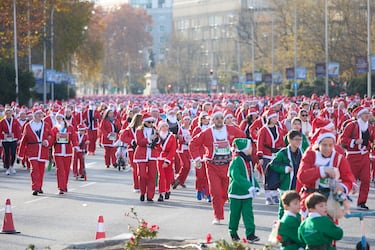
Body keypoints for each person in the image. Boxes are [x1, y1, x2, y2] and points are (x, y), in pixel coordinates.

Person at [190, 110, 246, 225]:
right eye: (217, 118)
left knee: (226, 192)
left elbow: (243, 137)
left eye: (221, 118)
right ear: (213, 120)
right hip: (212, 166)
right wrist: (197, 159)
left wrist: (237, 149)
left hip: (228, 165)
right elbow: (193, 143)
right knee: (215, 191)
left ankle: (222, 202)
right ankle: (218, 216)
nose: (219, 120)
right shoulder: (207, 132)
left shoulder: (230, 129)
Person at [297, 128, 355, 218]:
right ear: (318, 144)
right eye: (324, 145)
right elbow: (302, 176)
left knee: (330, 229)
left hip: (330, 201)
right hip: (311, 199)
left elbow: (348, 178)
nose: (327, 148)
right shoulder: (310, 155)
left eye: (330, 145)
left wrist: (343, 187)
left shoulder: (339, 158)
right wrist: (322, 170)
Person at [338, 106, 375, 210]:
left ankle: (361, 202)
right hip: (352, 156)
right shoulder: (351, 125)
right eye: (365, 114)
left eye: (368, 113)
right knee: (349, 180)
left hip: (365, 156)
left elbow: (373, 139)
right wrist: (354, 141)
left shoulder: (370, 127)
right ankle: (342, 200)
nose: (367, 115)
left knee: (366, 180)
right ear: (359, 115)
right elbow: (342, 139)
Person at [228, 138, 260, 243]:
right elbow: (236, 176)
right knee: (235, 214)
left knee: (248, 214)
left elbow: (250, 175)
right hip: (236, 193)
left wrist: (255, 186)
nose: (251, 149)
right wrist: (248, 186)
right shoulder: (237, 160)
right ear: (244, 148)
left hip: (247, 194)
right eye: (250, 147)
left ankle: (250, 234)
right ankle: (233, 232)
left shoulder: (248, 160)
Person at [269, 130, 303, 219]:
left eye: (300, 139)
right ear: (290, 140)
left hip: (297, 184)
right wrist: (285, 169)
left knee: (297, 207)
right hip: (285, 183)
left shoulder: (301, 152)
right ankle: (280, 226)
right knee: (284, 207)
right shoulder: (283, 152)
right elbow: (273, 164)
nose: (298, 142)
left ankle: (293, 226)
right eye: (296, 139)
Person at [18, 108, 52, 195]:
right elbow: (24, 139)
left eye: (41, 114)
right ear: (34, 115)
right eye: (38, 114)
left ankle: (39, 186)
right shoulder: (28, 126)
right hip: (32, 149)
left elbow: (51, 136)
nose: (40, 115)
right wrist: (20, 153)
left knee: (41, 170)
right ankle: (35, 188)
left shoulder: (46, 125)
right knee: (34, 169)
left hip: (43, 150)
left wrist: (47, 141)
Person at [257, 109, 286, 205]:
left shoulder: (279, 129)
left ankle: (274, 194)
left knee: (276, 175)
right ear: (269, 119)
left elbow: (282, 142)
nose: (275, 119)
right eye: (273, 117)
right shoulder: (263, 130)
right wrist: (260, 156)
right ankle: (268, 196)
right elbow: (260, 143)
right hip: (266, 155)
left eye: (276, 117)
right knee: (267, 175)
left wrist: (284, 152)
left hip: (276, 155)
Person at [50, 110, 78, 194]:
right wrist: (47, 144)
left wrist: (76, 146)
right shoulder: (54, 128)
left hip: (68, 151)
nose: (58, 120)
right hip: (58, 152)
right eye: (57, 118)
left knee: (66, 170)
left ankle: (64, 185)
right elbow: (52, 139)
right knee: (60, 170)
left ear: (63, 118)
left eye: (60, 118)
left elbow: (73, 138)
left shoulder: (70, 127)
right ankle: (61, 187)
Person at [133, 113, 160, 202]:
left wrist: (157, 139)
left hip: (152, 154)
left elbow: (159, 142)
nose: (151, 123)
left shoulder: (155, 130)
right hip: (141, 154)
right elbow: (139, 142)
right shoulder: (139, 130)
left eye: (152, 122)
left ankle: (150, 196)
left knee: (152, 175)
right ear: (144, 122)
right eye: (149, 122)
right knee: (142, 175)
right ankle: (142, 192)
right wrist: (149, 139)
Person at [118, 113, 143, 192]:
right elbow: (122, 137)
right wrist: (131, 141)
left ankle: (141, 185)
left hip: (141, 150)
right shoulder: (129, 129)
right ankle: (136, 186)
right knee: (135, 168)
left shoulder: (143, 129)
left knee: (141, 169)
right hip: (132, 150)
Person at [190, 112, 211, 201]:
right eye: (203, 118)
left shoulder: (211, 129)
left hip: (208, 155)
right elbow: (194, 143)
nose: (205, 120)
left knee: (207, 176)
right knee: (200, 175)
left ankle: (208, 193)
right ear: (201, 120)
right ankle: (199, 190)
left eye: (207, 118)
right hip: (199, 155)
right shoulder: (197, 129)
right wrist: (196, 157)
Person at [156, 120, 177, 202]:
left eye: (165, 126)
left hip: (168, 159)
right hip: (159, 158)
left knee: (168, 176)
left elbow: (173, 149)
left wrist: (167, 161)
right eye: (162, 126)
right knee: (161, 176)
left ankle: (167, 190)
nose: (164, 128)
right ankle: (161, 193)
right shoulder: (157, 136)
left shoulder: (171, 137)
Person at [0, 107, 21, 175]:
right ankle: (8, 168)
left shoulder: (15, 121)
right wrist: (4, 136)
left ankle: (12, 166)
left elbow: (18, 130)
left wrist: (16, 137)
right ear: (5, 114)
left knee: (13, 153)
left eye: (9, 113)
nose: (8, 114)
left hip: (13, 140)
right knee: (6, 154)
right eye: (7, 113)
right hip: (5, 140)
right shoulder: (2, 121)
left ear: (12, 113)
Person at [173, 115, 192, 189]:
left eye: (188, 119)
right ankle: (177, 179)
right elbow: (180, 139)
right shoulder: (180, 129)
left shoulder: (191, 128)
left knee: (188, 167)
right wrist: (185, 142)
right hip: (181, 149)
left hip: (189, 150)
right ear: (183, 120)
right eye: (185, 119)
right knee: (185, 165)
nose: (187, 121)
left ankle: (181, 181)